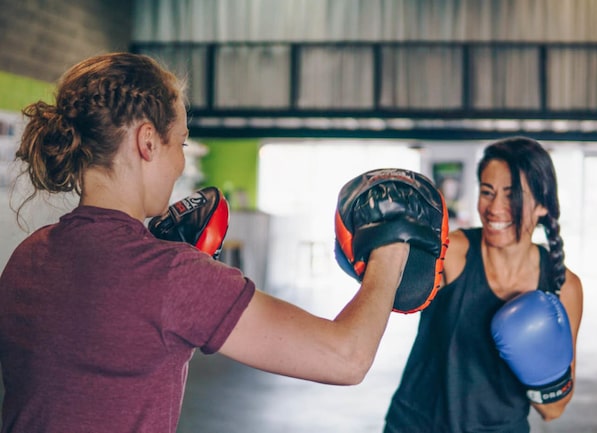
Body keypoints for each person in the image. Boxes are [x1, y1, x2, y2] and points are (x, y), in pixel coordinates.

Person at [0, 52, 417, 433]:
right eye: (180, 142)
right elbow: (346, 358)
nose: (181, 160)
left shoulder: (28, 255)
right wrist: (391, 246)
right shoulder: (171, 275)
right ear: (147, 142)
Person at [383, 136, 584, 433]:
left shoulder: (563, 287)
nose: (495, 208)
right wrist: (389, 243)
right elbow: (396, 289)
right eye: (487, 192)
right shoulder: (453, 252)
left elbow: (553, 409)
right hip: (417, 424)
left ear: (542, 204)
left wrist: (536, 362)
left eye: (512, 195)